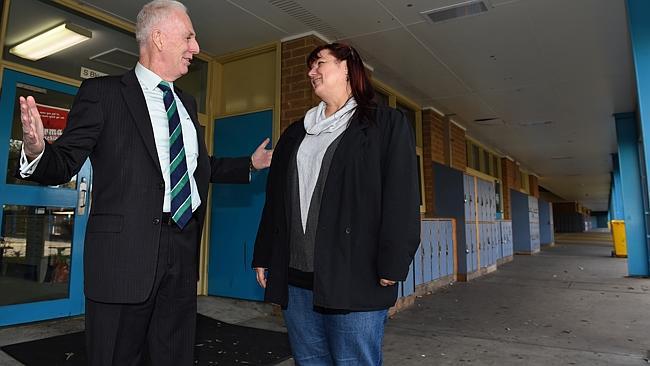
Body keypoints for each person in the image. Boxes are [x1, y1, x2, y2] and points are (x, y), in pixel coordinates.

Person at [18, 1, 272, 365]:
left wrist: (249, 163)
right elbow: (65, 161)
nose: (196, 48)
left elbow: (197, 166)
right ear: (158, 38)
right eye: (188, 36)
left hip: (182, 246)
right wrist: (37, 149)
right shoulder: (103, 94)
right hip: (124, 255)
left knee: (173, 353)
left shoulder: (186, 101)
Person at [252, 42, 420, 365]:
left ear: (347, 67)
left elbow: (401, 199)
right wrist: (264, 252)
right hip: (297, 281)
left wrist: (393, 262)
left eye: (319, 63)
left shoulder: (385, 125)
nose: (311, 72)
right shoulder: (295, 134)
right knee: (309, 360)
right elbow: (276, 200)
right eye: (309, 67)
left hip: (355, 278)